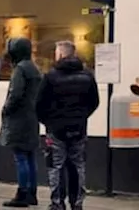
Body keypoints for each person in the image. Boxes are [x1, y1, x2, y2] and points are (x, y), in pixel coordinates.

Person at [36, 40, 100, 210]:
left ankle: (57, 203)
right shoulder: (87, 76)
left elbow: (39, 104)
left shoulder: (50, 77)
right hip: (78, 129)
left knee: (55, 166)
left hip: (55, 130)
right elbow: (94, 102)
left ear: (61, 54)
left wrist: (48, 122)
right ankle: (77, 203)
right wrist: (81, 117)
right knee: (78, 165)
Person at [0, 38, 44, 208]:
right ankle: (32, 193)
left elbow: (15, 94)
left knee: (20, 157)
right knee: (30, 156)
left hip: (19, 118)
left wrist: (6, 109)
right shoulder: (34, 68)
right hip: (32, 117)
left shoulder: (20, 69)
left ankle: (22, 193)